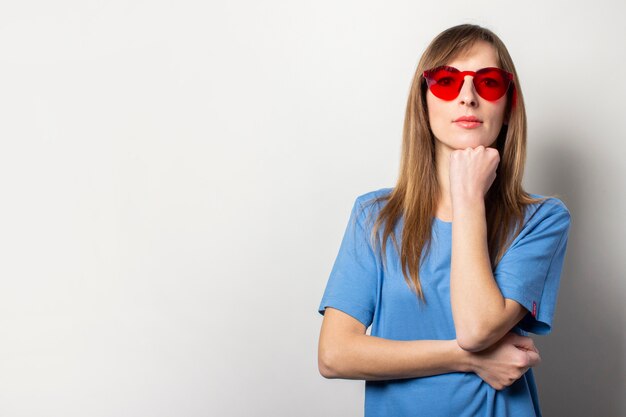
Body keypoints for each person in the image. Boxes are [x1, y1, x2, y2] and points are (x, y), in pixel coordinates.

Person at [316, 23, 572, 417]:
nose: (467, 97)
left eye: (487, 83)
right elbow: (334, 355)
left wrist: (468, 195)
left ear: (509, 105)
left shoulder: (540, 220)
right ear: (424, 101)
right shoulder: (374, 217)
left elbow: (476, 327)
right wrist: (467, 359)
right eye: (448, 81)